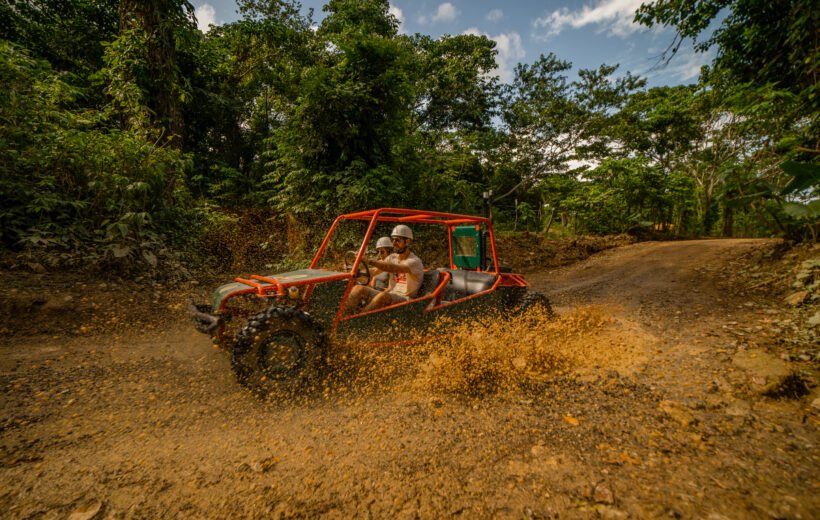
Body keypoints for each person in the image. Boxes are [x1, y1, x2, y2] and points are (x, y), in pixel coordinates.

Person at [345, 225, 424, 314]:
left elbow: (391, 268)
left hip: (406, 299)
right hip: (390, 294)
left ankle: (357, 320)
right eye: (392, 240)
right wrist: (357, 273)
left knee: (383, 296)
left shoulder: (414, 262)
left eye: (397, 240)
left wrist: (369, 261)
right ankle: (344, 316)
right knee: (358, 288)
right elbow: (374, 271)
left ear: (408, 241)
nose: (394, 243)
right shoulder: (392, 257)